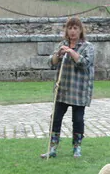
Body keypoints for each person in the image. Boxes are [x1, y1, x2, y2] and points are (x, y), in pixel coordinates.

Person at [41, 17, 95, 159]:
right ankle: (52, 148)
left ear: (80, 30)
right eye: (70, 28)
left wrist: (71, 52)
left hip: (79, 90)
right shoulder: (62, 44)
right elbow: (50, 62)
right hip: (62, 90)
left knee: (77, 120)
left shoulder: (87, 47)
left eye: (75, 28)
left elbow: (85, 63)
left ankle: (77, 148)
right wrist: (58, 54)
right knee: (56, 119)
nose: (72, 31)